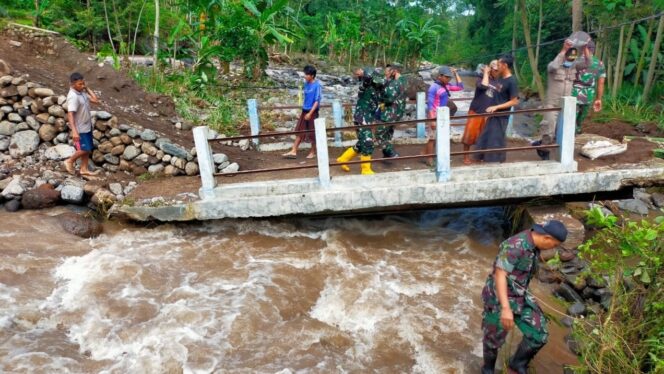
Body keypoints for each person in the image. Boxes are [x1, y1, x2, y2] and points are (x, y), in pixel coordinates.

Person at [481, 220, 568, 374]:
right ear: (547, 238)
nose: (553, 248)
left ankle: (516, 366)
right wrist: (506, 309)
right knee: (493, 341)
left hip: (520, 295)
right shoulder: (516, 245)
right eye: (554, 245)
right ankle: (487, 370)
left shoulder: (534, 246)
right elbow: (500, 275)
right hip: (499, 298)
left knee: (539, 334)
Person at [534, 41, 579, 160]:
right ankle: (543, 149)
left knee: (567, 131)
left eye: (573, 57)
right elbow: (553, 66)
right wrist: (563, 50)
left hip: (566, 105)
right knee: (549, 130)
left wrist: (584, 48)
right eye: (569, 56)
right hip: (552, 104)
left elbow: (587, 63)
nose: (570, 58)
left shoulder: (573, 68)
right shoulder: (553, 67)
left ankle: (559, 154)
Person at [474, 54, 519, 163]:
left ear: (505, 65)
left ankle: (495, 163)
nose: (497, 67)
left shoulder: (511, 81)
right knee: (486, 137)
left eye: (499, 64)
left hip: (501, 116)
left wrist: (496, 107)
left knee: (496, 140)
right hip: (493, 114)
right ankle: (485, 160)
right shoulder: (500, 78)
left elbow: (515, 101)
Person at [336, 67, 381, 175]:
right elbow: (369, 75)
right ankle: (365, 169)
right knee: (368, 142)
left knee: (362, 143)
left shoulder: (373, 86)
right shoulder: (364, 84)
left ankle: (343, 159)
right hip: (362, 117)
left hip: (367, 117)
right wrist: (364, 71)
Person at [421, 65, 464, 166]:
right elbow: (430, 104)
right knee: (432, 137)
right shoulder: (433, 87)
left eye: (450, 77)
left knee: (437, 137)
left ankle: (424, 153)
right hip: (434, 115)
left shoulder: (447, 86)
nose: (448, 79)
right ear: (440, 76)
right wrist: (432, 119)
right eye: (447, 77)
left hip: (442, 115)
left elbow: (460, 87)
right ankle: (429, 159)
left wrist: (456, 73)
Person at [460, 60, 499, 165]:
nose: (497, 71)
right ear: (490, 69)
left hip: (488, 114)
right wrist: (486, 73)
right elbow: (484, 86)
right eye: (494, 68)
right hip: (476, 111)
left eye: (498, 69)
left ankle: (480, 156)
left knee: (484, 137)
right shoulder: (480, 78)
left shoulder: (498, 83)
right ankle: (465, 157)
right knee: (469, 136)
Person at [63, 72, 100, 176]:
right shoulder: (73, 96)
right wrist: (74, 131)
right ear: (72, 84)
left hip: (86, 126)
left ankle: (84, 169)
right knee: (85, 148)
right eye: (80, 84)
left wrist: (86, 88)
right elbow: (70, 114)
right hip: (80, 128)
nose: (82, 86)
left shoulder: (82, 92)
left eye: (83, 83)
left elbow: (96, 101)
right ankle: (69, 161)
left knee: (87, 149)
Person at [282, 65, 322, 159]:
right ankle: (293, 150)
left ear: (312, 75)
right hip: (305, 110)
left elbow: (317, 100)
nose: (305, 76)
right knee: (300, 131)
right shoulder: (306, 84)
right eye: (305, 74)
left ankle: (313, 152)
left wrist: (310, 113)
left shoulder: (317, 85)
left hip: (312, 112)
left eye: (306, 74)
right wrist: (304, 110)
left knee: (312, 133)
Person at [572, 39, 605, 133]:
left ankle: (569, 138)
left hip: (573, 94)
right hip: (588, 96)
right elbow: (601, 82)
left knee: (570, 119)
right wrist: (598, 99)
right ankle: (577, 132)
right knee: (580, 120)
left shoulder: (575, 61)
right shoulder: (599, 64)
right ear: (593, 49)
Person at [375, 63, 406, 159]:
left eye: (387, 72)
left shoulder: (395, 83)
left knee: (379, 134)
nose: (386, 74)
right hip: (397, 112)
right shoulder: (403, 80)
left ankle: (391, 153)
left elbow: (389, 98)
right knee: (388, 134)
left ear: (394, 71)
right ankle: (387, 154)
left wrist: (380, 98)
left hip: (390, 113)